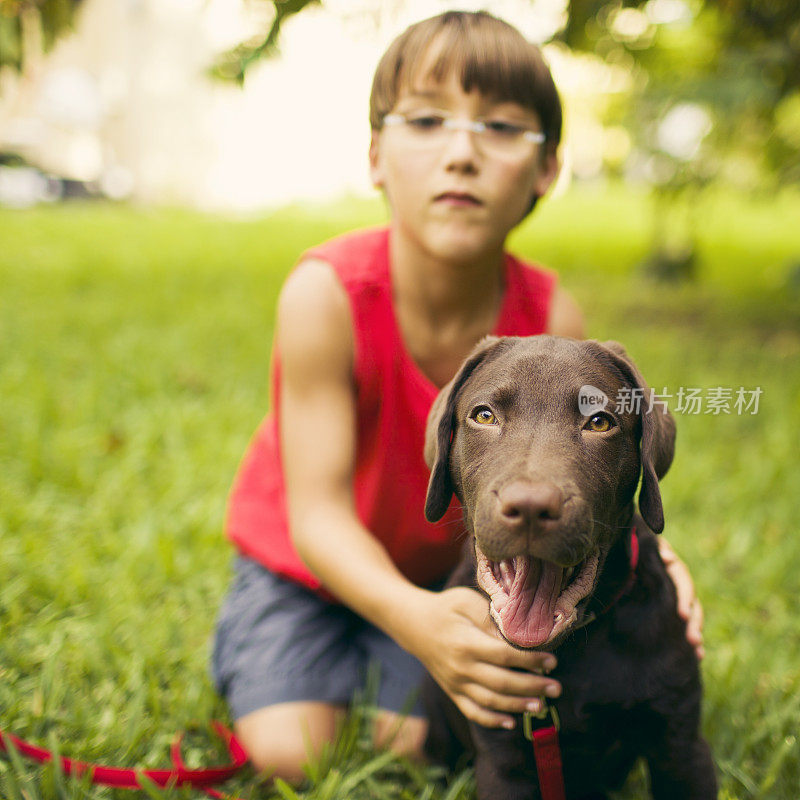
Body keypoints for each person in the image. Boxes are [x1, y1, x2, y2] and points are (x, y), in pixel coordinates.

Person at [211, 10, 704, 783]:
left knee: (422, 740)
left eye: (502, 127)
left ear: (546, 171)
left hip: (463, 568)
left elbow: (596, 460)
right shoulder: (326, 295)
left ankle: (381, 658)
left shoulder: (549, 318)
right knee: (293, 751)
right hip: (308, 567)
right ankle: (285, 649)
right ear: (376, 155)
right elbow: (316, 516)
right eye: (428, 119)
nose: (463, 152)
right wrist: (415, 623)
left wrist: (658, 561)